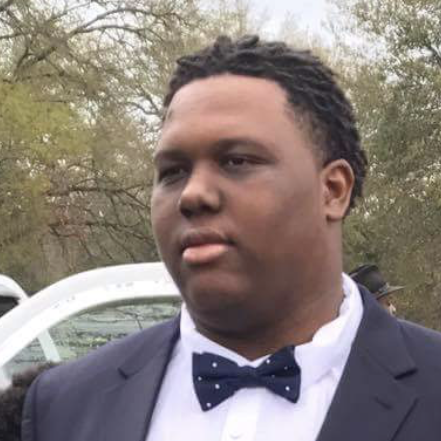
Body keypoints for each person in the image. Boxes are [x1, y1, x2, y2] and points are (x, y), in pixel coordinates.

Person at [22, 35, 441, 441]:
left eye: (236, 161)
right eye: (172, 172)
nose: (192, 194)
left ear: (332, 190)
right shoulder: (63, 406)